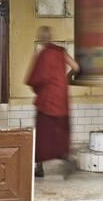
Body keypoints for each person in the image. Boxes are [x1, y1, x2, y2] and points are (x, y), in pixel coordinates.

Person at [25, 26, 80, 178]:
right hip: (61, 99)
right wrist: (65, 79)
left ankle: (39, 167)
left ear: (42, 38)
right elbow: (76, 67)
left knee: (43, 134)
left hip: (46, 101)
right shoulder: (60, 52)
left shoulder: (42, 55)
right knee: (60, 133)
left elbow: (34, 80)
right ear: (51, 37)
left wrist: (40, 89)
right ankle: (67, 159)